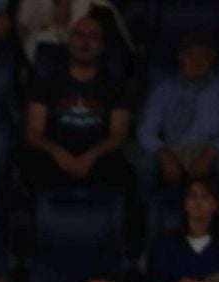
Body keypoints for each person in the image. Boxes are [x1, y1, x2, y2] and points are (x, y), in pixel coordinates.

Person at [20, 14, 134, 190]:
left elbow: (119, 133)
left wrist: (91, 156)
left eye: (93, 36)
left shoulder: (116, 85)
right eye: (79, 34)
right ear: (69, 41)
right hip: (53, 156)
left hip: (100, 158)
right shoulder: (45, 80)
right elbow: (34, 132)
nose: (84, 42)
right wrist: (58, 153)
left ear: (102, 46)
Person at [138, 31, 219, 195]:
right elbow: (146, 131)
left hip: (214, 150)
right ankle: (143, 211)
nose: (196, 60)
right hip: (172, 149)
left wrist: (209, 154)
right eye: (189, 54)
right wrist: (165, 155)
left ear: (212, 58)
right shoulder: (163, 89)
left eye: (203, 54)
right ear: (180, 57)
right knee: (145, 163)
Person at [151, 179, 219, 282]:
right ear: (185, 204)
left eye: (204, 197)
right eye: (192, 196)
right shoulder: (166, 243)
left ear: (215, 205)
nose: (198, 202)